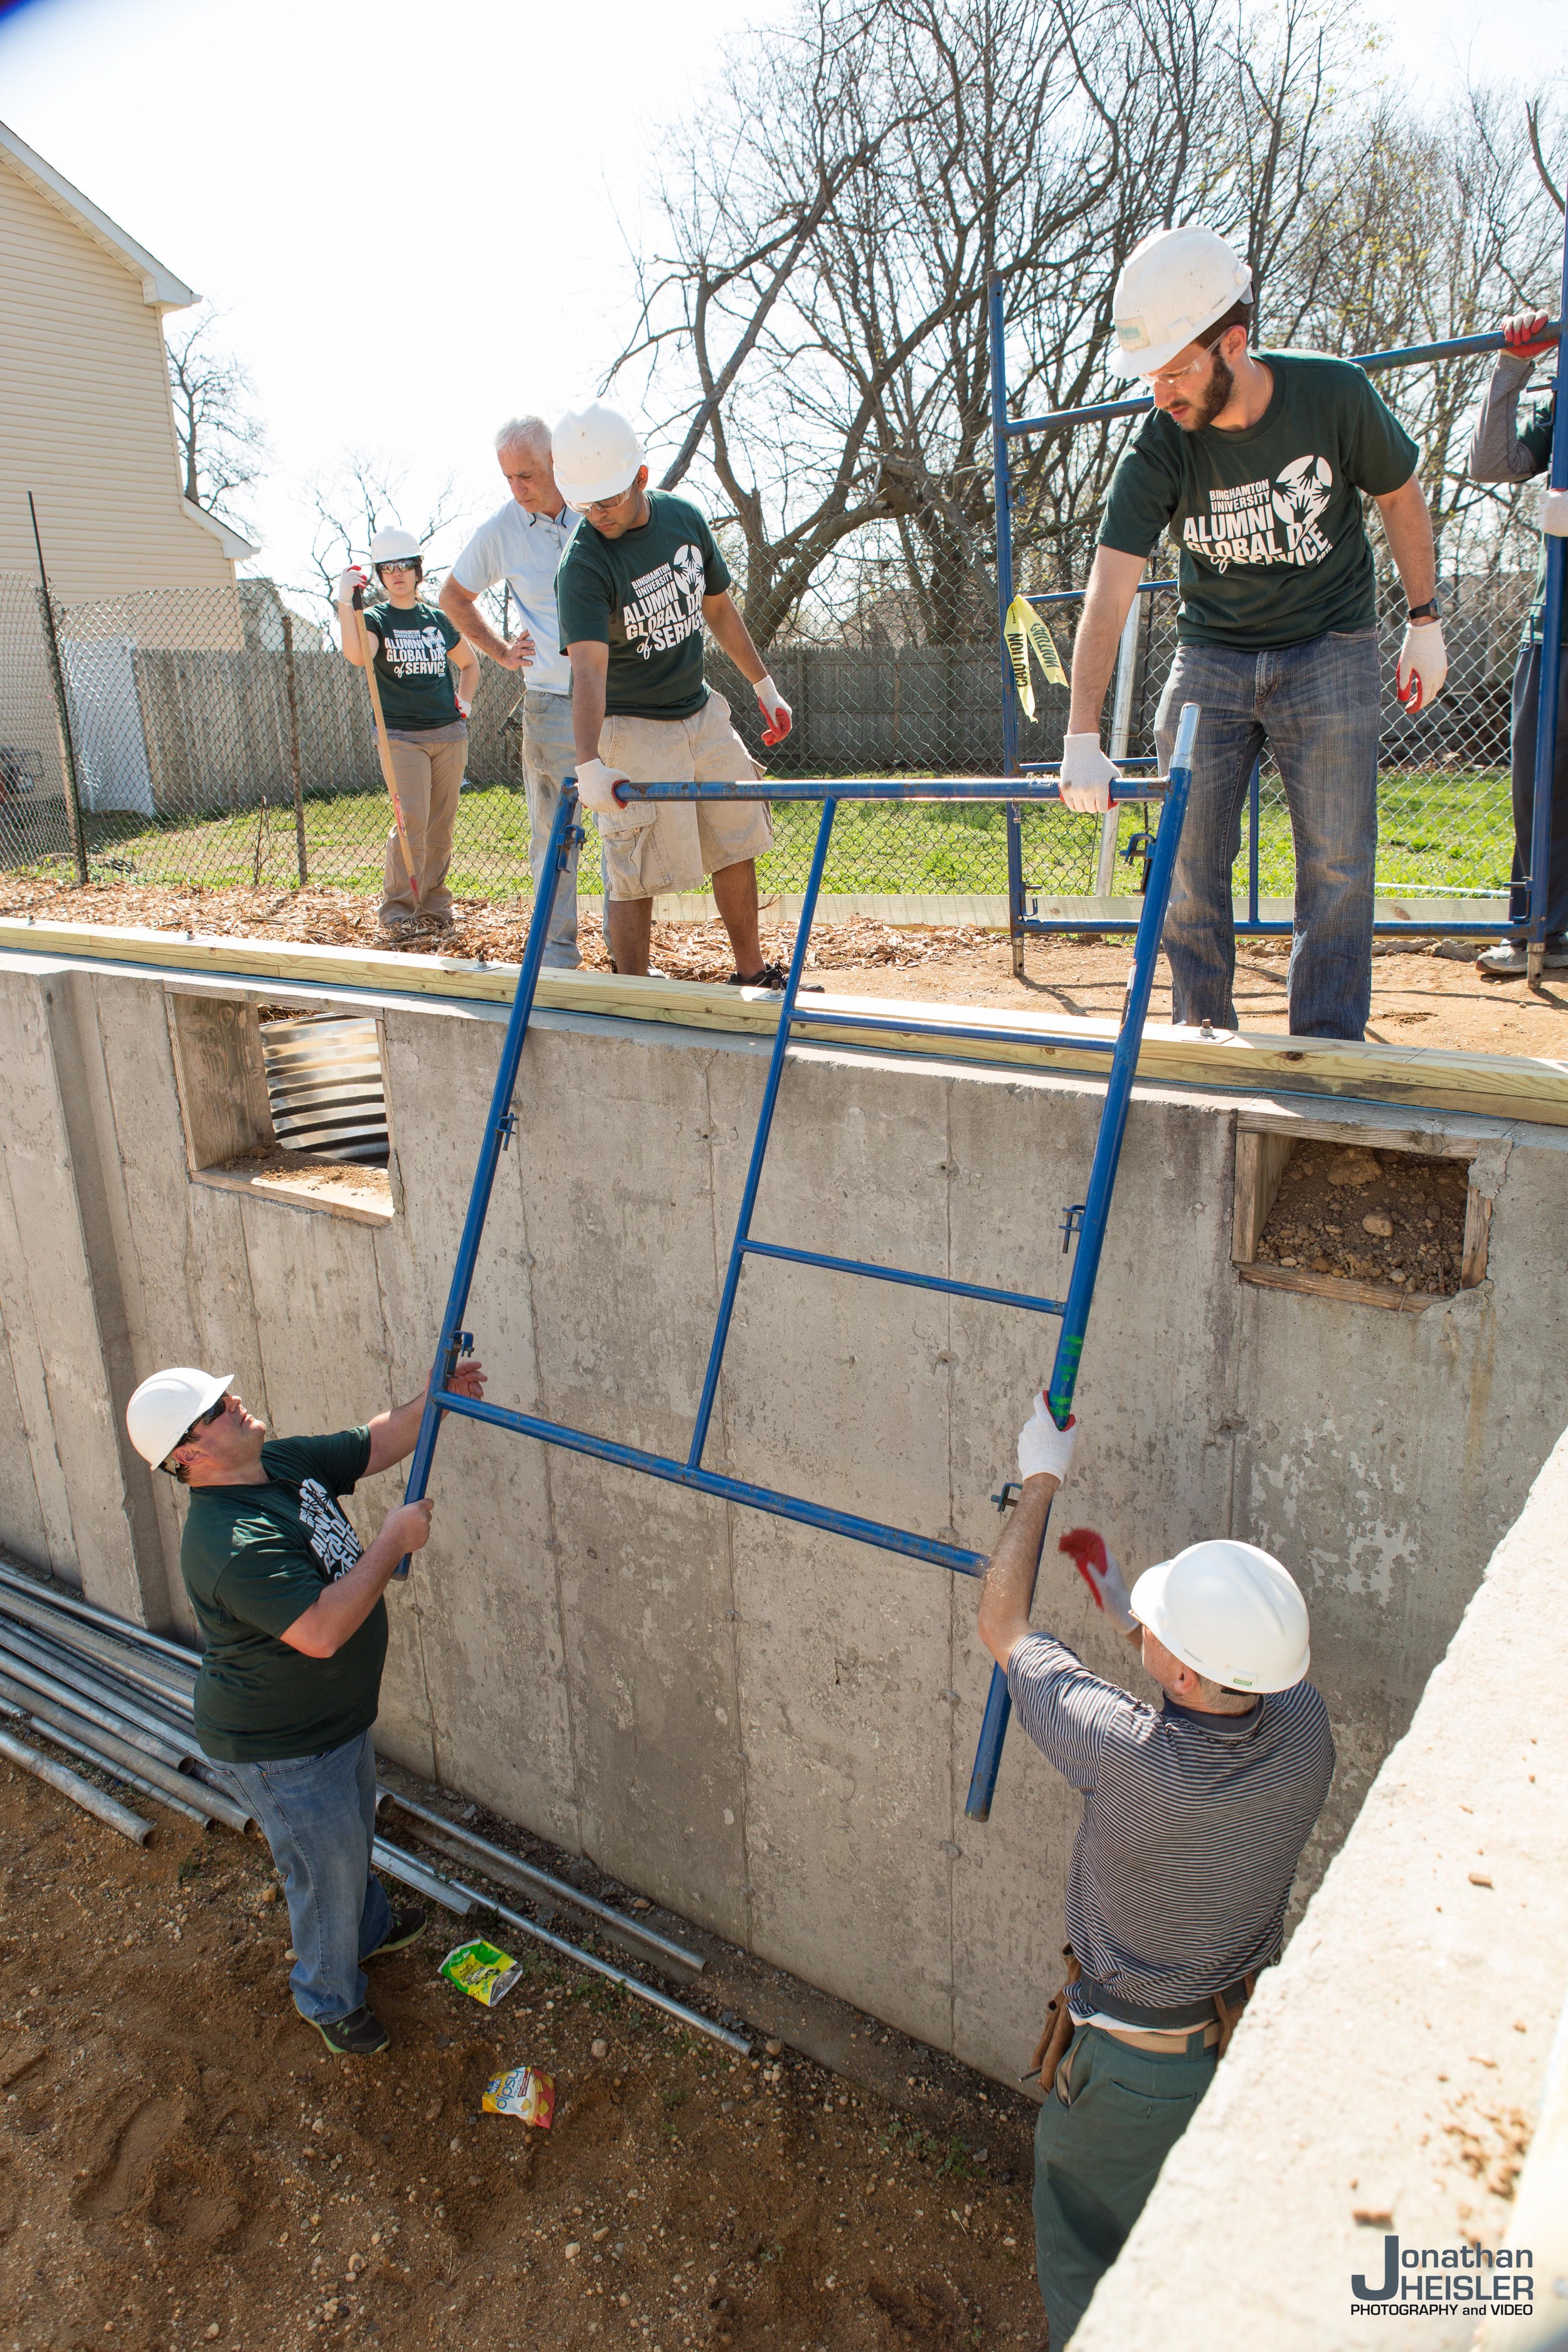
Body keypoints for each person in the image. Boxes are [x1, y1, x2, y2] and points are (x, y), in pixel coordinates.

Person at [976, 1397, 1333, 2344]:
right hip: (1230, 2048)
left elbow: (1002, 1622)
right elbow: (1221, 1678)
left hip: (1130, 2083)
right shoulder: (1304, 1734)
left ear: (1181, 1676)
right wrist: (1123, 1594)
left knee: (1096, 2277)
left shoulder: (1124, 1756)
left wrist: (1040, 1477)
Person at [1062, 224, 1447, 1041]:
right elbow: (1110, 587)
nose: (1160, 393)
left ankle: (1325, 1055)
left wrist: (1425, 620)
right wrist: (1082, 731)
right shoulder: (1161, 442)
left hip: (1331, 645)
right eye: (1151, 375)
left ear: (1233, 343)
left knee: (1338, 867)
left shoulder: (1334, 396)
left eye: (1176, 370)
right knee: (1188, 865)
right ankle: (1203, 1042)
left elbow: (1402, 493)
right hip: (1214, 652)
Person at [124, 1357, 486, 2057]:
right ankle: (327, 1995)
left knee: (350, 1836)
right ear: (189, 1453)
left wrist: (435, 1394)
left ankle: (368, 1931)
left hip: (330, 1725)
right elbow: (320, 1632)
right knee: (324, 1871)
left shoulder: (277, 1465)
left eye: (226, 1394)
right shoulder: (230, 1544)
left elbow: (375, 1441)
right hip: (281, 1748)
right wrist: (389, 1542)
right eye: (216, 1408)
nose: (235, 1403)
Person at [553, 402, 795, 983]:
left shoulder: (684, 520)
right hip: (630, 723)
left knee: (735, 838)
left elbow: (717, 607)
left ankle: (751, 972)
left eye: (608, 499)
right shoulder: (583, 565)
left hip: (700, 708)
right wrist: (589, 764)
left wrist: (765, 686)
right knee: (635, 864)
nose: (598, 515)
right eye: (585, 504)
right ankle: (634, 989)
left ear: (640, 477)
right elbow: (587, 670)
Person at [440, 418, 585, 968]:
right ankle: (555, 954)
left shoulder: (595, 506)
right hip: (550, 698)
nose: (518, 487)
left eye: (527, 474)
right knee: (553, 832)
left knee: (628, 822)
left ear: (555, 461)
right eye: (508, 478)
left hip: (620, 697)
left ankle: (630, 957)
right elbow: (453, 595)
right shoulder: (504, 528)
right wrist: (500, 651)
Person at [1468, 307, 1568, 977]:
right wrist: (1512, 365)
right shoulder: (1562, 399)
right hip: (1555, 619)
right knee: (1539, 778)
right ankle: (1538, 929)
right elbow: (1492, 462)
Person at [337, 527, 480, 938]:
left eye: (405, 566)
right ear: (380, 575)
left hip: (449, 734)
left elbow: (470, 665)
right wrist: (345, 603)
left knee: (440, 826)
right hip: (401, 737)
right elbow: (355, 655)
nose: (397, 574)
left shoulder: (437, 619)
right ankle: (399, 909)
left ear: (418, 571)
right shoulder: (377, 619)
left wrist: (464, 703)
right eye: (388, 568)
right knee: (411, 821)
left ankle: (435, 906)